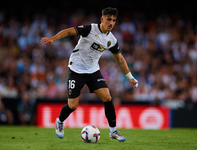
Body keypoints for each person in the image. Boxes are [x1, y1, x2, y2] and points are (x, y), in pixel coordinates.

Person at [41, 7, 138, 142]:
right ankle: (60, 120)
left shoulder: (112, 40)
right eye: (109, 19)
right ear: (102, 19)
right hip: (76, 69)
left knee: (107, 97)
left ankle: (113, 131)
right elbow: (69, 31)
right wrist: (53, 39)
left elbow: (120, 59)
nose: (111, 23)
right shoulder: (90, 29)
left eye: (114, 20)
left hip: (93, 70)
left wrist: (130, 77)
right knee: (73, 105)